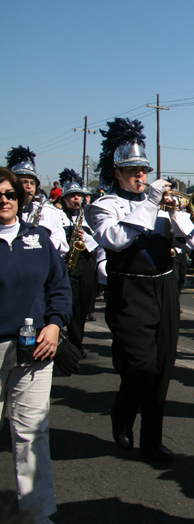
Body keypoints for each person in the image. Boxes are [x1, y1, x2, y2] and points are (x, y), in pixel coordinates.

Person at [87, 118, 194, 463]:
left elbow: (193, 243)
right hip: (129, 291)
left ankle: (152, 440)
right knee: (140, 367)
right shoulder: (104, 205)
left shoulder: (162, 206)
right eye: (132, 171)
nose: (140, 176)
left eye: (143, 170)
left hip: (164, 289)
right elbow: (116, 240)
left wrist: (179, 215)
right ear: (118, 174)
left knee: (163, 367)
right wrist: (149, 204)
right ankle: (123, 413)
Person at [0, 168, 72, 524]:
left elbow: (58, 286)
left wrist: (55, 325)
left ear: (20, 198)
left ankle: (35, 511)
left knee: (32, 431)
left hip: (34, 348)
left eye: (10, 195)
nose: (4, 201)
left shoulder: (38, 238)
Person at [59, 169, 98, 358]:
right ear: (65, 199)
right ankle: (71, 344)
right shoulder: (58, 216)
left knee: (83, 305)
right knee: (72, 306)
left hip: (86, 262)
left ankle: (77, 341)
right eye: (73, 196)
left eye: (79, 196)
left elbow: (99, 238)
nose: (77, 199)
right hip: (67, 265)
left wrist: (87, 237)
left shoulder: (88, 215)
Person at [6, 146, 69, 256]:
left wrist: (36, 242)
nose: (29, 187)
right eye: (24, 182)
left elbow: (62, 245)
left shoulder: (49, 212)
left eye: (32, 183)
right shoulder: (4, 210)